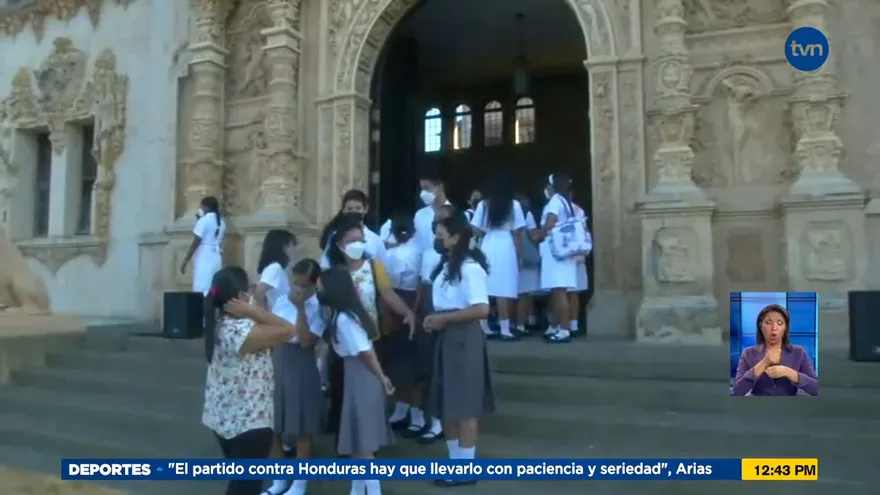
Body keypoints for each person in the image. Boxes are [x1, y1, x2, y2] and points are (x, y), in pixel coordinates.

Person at [201, 267, 296, 495]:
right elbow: (288, 329)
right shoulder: (240, 331)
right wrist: (252, 310)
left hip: (226, 419)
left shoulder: (218, 324)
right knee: (245, 487)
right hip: (248, 422)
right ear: (240, 297)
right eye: (249, 289)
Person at [324, 214, 415, 446]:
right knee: (342, 392)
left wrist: (407, 312)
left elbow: (387, 294)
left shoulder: (375, 267)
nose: (358, 245)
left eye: (361, 240)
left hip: (371, 336)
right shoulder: (333, 272)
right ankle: (346, 442)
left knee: (370, 392)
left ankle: (369, 443)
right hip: (342, 341)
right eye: (352, 240)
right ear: (339, 244)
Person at [423, 214, 495, 487]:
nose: (438, 240)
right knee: (447, 403)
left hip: (464, 339)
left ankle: (466, 466)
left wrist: (445, 319)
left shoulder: (470, 268)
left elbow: (481, 308)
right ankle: (454, 461)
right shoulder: (446, 266)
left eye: (441, 235)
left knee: (464, 405)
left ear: (455, 237)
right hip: (446, 337)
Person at [320, 266, 394, 495]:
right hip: (355, 375)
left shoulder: (344, 319)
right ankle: (356, 490)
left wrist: (383, 378)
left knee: (363, 445)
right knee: (356, 441)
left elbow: (365, 352)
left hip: (362, 376)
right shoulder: (342, 315)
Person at [268, 259, 325, 495]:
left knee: (302, 429)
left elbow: (305, 341)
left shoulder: (319, 308)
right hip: (277, 361)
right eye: (295, 283)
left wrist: (301, 308)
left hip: (301, 365)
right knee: (273, 426)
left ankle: (300, 484)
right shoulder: (281, 301)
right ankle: (279, 479)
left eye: (303, 285)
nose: (297, 289)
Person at [408, 204, 457, 443]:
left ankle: (441, 421)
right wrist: (415, 312)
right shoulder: (429, 255)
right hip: (428, 313)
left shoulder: (465, 261)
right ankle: (430, 419)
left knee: (444, 372)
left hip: (449, 318)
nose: (438, 239)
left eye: (442, 234)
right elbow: (423, 284)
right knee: (427, 369)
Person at [381, 213, 425, 432]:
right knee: (399, 359)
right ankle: (403, 408)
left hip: (404, 301)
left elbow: (411, 283)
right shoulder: (410, 251)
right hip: (401, 302)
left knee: (407, 359)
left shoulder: (403, 253)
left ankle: (414, 411)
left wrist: (412, 311)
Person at [470, 177, 525, 341]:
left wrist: (486, 229)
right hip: (506, 245)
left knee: (486, 287)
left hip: (488, 244)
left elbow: (475, 229)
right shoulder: (514, 205)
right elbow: (518, 234)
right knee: (504, 288)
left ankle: (483, 326)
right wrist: (520, 256)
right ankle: (505, 329)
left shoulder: (483, 205)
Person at [732, 304, 819, 396]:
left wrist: (789, 372)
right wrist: (764, 363)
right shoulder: (748, 353)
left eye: (780, 323)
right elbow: (737, 391)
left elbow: (816, 388)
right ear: (760, 326)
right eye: (768, 322)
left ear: (785, 328)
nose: (774, 328)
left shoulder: (799, 353)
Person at [534, 173, 578, 343]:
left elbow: (551, 220)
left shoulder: (555, 201)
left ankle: (564, 329)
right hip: (564, 252)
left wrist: (541, 233)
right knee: (559, 291)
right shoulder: (565, 202)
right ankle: (557, 326)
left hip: (556, 253)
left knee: (559, 291)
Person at [319, 189, 386, 267]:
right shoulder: (334, 236)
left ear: (365, 209)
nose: (354, 212)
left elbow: (383, 268)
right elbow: (325, 265)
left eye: (358, 208)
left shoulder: (376, 240)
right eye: (349, 209)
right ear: (343, 210)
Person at [180, 196, 227, 295]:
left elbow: (196, 241)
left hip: (204, 256)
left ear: (205, 207)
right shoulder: (221, 222)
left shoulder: (204, 220)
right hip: (216, 256)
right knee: (213, 286)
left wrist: (186, 260)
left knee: (202, 287)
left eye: (201, 206)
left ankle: (202, 309)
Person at [514, 193, 541, 335]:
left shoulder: (508, 213)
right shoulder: (527, 214)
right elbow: (533, 235)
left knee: (513, 293)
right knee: (525, 294)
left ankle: (510, 323)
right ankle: (520, 324)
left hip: (509, 257)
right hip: (525, 259)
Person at [254, 229, 298, 311]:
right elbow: (259, 290)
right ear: (284, 247)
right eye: (293, 245)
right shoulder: (275, 268)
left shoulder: (279, 269)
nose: (295, 249)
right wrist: (263, 313)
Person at [414, 168, 453, 253]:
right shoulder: (420, 215)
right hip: (425, 264)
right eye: (422, 189)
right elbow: (418, 247)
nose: (423, 193)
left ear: (439, 187)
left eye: (426, 188)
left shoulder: (455, 214)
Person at [566, 199, 590, 337]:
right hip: (577, 252)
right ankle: (572, 324)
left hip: (565, 253)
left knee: (562, 292)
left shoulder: (556, 207)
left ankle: (566, 324)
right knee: (572, 292)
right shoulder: (578, 210)